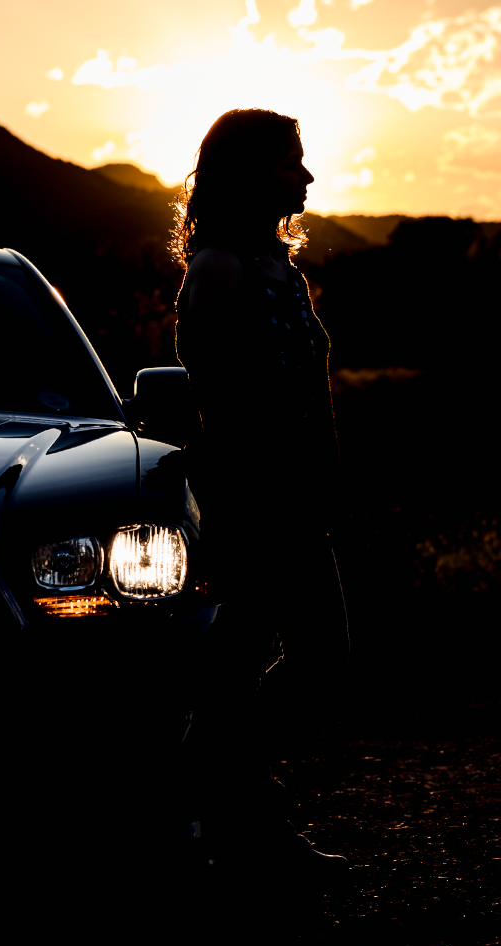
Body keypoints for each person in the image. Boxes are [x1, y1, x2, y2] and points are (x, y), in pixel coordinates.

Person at [171, 108, 351, 882]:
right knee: (292, 661)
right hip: (255, 503)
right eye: (291, 163)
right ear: (249, 174)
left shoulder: (281, 266)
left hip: (302, 499)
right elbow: (208, 387)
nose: (307, 176)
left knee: (311, 663)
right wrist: (249, 482)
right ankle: (230, 802)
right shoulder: (219, 268)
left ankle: (214, 783)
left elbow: (310, 392)